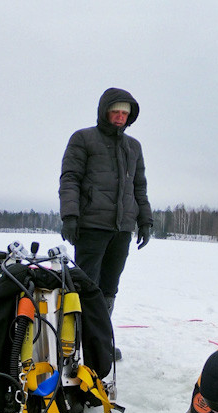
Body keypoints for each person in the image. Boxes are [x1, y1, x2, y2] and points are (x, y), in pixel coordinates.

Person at [59, 87, 153, 346]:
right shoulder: (83, 139)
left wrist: (144, 221)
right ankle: (75, 342)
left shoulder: (133, 147)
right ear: (105, 111)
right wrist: (70, 215)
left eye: (125, 112)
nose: (121, 116)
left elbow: (139, 186)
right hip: (91, 227)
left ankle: (99, 342)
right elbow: (70, 179)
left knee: (109, 288)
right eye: (116, 111)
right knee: (86, 287)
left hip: (122, 229)